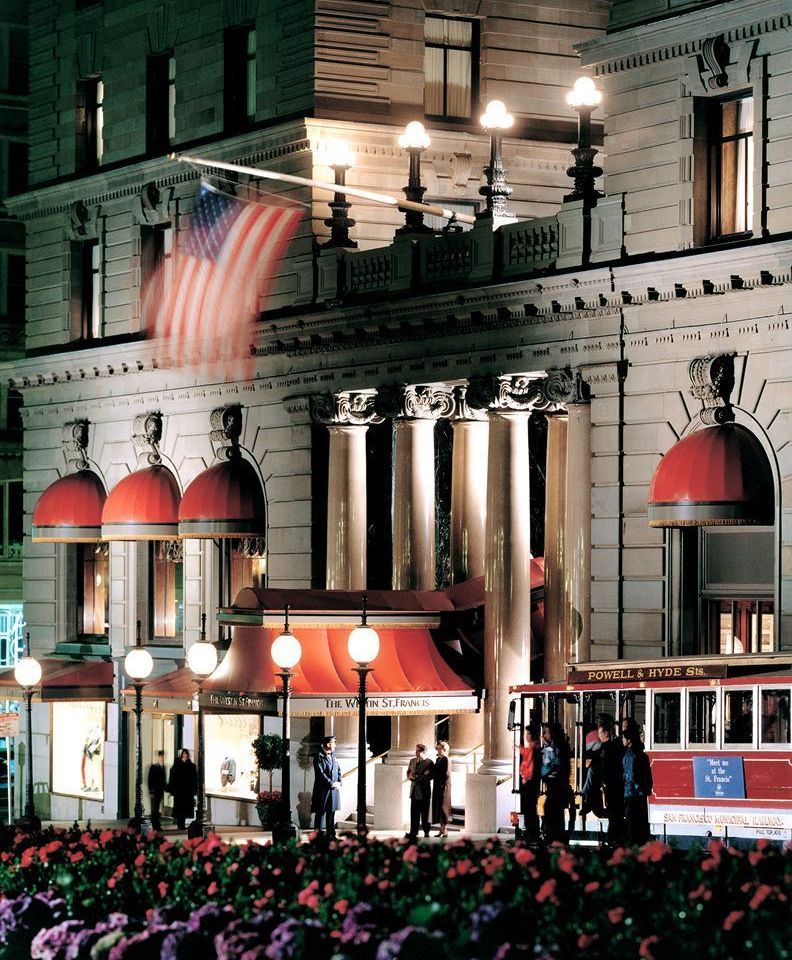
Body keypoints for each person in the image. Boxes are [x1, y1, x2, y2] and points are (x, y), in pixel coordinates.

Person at [596, 716, 625, 844]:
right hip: (613, 783)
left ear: (606, 733)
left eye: (600, 733)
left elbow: (607, 767)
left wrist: (603, 780)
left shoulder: (608, 748)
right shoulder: (612, 745)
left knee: (614, 812)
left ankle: (612, 838)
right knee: (615, 812)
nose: (599, 736)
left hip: (612, 784)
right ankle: (614, 837)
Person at [623, 722, 653, 845]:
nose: (622, 741)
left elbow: (631, 775)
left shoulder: (630, 755)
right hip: (641, 793)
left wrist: (636, 787)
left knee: (632, 823)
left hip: (631, 793)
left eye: (623, 738)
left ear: (629, 740)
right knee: (641, 822)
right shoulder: (642, 754)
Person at [541, 723, 570, 844]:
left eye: (545, 732)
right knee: (555, 811)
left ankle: (552, 837)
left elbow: (547, 768)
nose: (543, 735)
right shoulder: (560, 746)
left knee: (550, 809)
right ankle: (556, 836)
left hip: (555, 785)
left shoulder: (553, 748)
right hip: (559, 785)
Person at [311, 735, 342, 836]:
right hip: (322, 790)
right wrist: (331, 783)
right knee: (320, 813)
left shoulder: (333, 755)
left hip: (333, 790)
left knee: (331, 813)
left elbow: (338, 769)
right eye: (334, 743)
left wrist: (339, 781)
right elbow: (320, 774)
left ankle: (331, 835)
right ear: (328, 744)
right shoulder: (318, 756)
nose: (335, 745)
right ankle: (317, 836)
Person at [517, 725, 541, 842]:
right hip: (531, 782)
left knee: (529, 808)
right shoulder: (533, 747)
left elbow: (529, 764)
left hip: (529, 782)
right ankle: (532, 832)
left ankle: (531, 833)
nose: (526, 736)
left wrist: (526, 778)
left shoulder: (533, 748)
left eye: (528, 734)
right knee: (530, 808)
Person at [406, 743, 434, 840]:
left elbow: (429, 777)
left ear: (422, 751)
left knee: (425, 812)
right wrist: (410, 776)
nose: (415, 752)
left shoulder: (429, 763)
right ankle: (413, 831)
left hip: (424, 791)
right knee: (414, 812)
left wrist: (417, 777)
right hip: (414, 790)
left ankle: (426, 831)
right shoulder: (412, 761)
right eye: (416, 750)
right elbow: (408, 772)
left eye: (417, 750)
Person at [168, 748, 197, 830]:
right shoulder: (177, 765)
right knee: (179, 808)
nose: (185, 755)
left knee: (185, 809)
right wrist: (172, 789)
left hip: (187, 791)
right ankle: (180, 824)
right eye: (183, 754)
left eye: (186, 754)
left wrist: (194, 789)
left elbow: (194, 778)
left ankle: (182, 824)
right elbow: (172, 777)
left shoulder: (191, 766)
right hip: (179, 791)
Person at [431, 741, 452, 838]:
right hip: (438, 786)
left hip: (443, 787)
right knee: (439, 807)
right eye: (437, 748)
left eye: (439, 748)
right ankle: (441, 828)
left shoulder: (446, 759)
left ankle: (445, 829)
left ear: (444, 749)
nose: (437, 750)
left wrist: (435, 775)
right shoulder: (439, 759)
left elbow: (446, 774)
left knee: (444, 807)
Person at [147, 750, 167, 831]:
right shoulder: (154, 767)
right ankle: (155, 825)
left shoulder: (163, 767)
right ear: (158, 757)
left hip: (160, 791)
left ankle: (156, 824)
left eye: (163, 757)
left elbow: (163, 780)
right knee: (154, 809)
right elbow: (150, 779)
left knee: (157, 808)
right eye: (161, 757)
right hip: (155, 791)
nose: (162, 758)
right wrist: (151, 790)